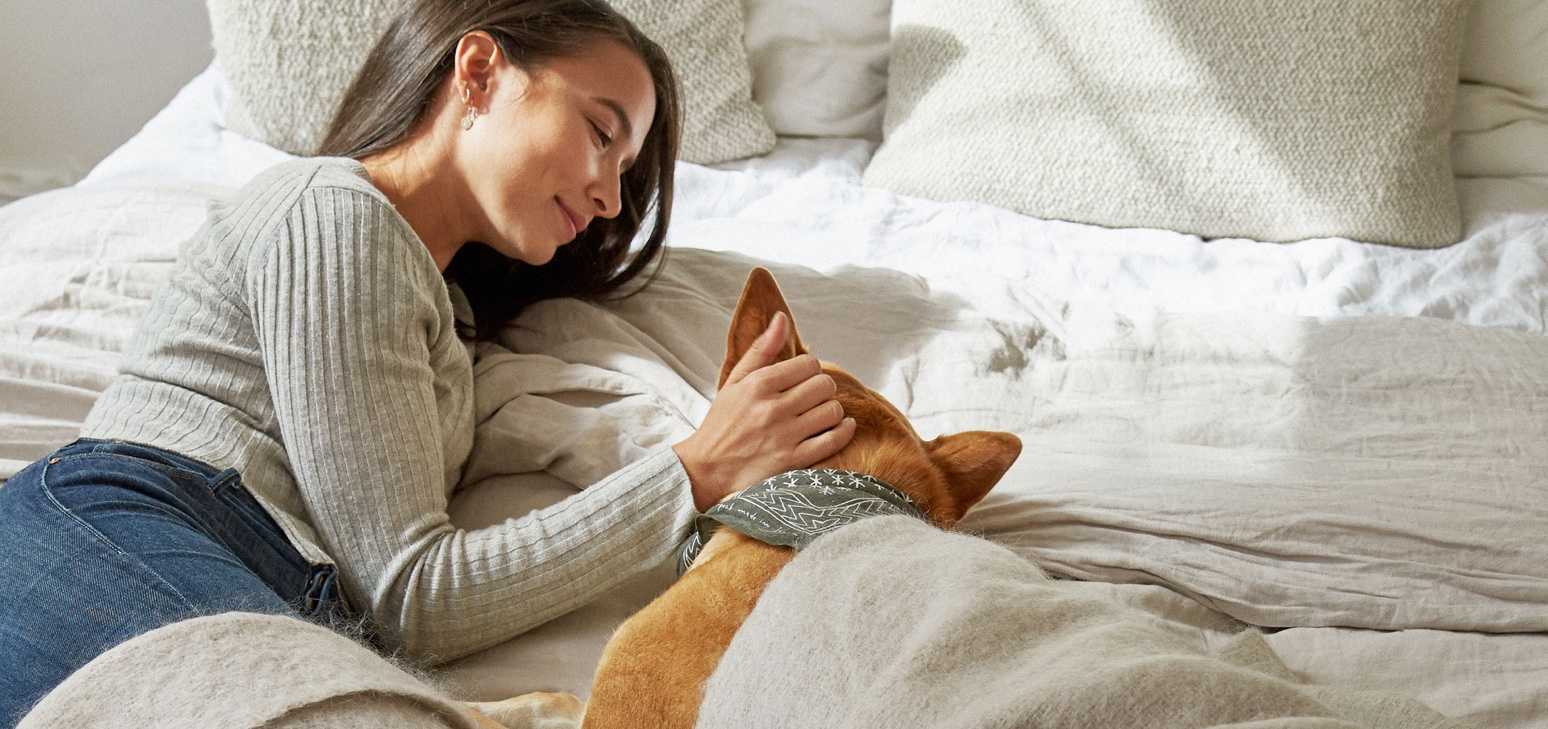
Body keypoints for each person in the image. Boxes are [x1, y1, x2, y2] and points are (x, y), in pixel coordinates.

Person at [0, 0, 856, 723]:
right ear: (478, 72)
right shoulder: (335, 215)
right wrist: (694, 471)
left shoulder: (446, 314)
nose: (607, 197)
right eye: (601, 133)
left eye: (625, 173)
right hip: (125, 526)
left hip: (244, 583)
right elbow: (414, 592)